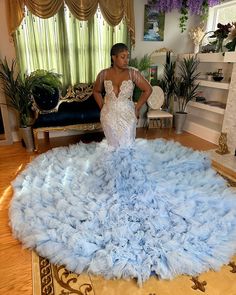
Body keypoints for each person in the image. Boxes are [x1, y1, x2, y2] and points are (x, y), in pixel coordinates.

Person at [93, 43, 152, 147]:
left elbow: (148, 89)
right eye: (122, 57)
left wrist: (137, 108)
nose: (126, 60)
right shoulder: (104, 74)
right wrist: (103, 107)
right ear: (113, 58)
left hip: (128, 114)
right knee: (112, 146)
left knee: (127, 146)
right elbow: (96, 91)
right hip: (109, 115)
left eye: (127, 57)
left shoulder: (132, 73)